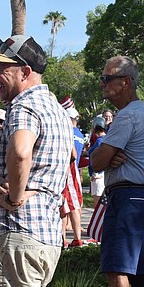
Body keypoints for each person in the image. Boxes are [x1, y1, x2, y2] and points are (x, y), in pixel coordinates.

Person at [0, 34, 72, 287]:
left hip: (17, 234)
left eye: (0, 69)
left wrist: (16, 197)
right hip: (41, 235)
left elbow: (20, 152)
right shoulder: (55, 109)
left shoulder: (24, 105)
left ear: (24, 71)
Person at [90, 56, 144, 287]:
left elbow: (96, 160)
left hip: (127, 197)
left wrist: (105, 155)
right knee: (138, 273)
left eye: (107, 78)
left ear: (126, 82)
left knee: (117, 272)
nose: (102, 83)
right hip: (140, 196)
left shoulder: (127, 116)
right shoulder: (138, 113)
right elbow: (102, 159)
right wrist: (105, 155)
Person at [59, 98, 85, 248]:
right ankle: (73, 238)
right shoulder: (79, 134)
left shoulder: (66, 130)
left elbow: (73, 154)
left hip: (67, 168)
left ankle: (70, 238)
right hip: (71, 168)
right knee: (70, 204)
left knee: (68, 204)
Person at [86, 117, 107, 207]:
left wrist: (97, 173)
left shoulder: (99, 141)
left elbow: (100, 158)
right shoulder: (106, 139)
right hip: (102, 175)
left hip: (98, 176)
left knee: (98, 205)